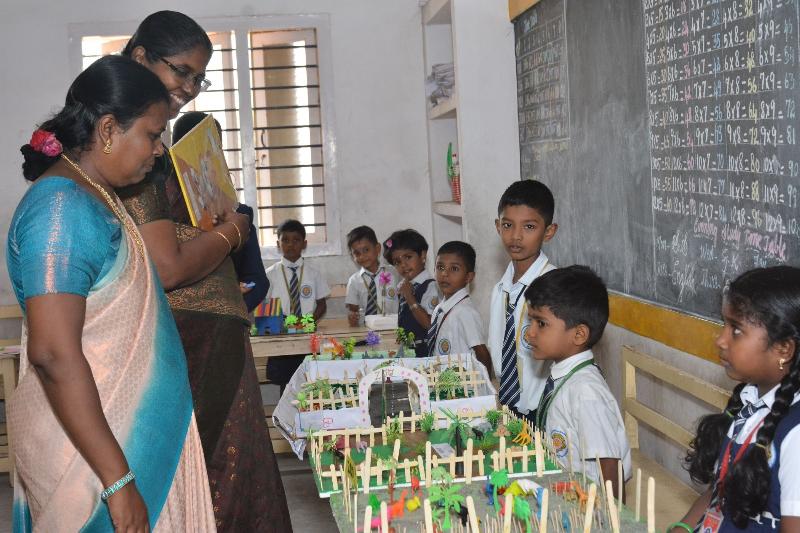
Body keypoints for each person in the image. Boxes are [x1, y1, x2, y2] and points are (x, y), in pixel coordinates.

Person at [7, 55, 215, 532]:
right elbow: (54, 353)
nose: (160, 149)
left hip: (114, 437)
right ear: (107, 129)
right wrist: (118, 481)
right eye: (152, 133)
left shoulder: (89, 194)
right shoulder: (60, 209)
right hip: (91, 457)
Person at [117, 11, 291, 531]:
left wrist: (214, 226)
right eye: (182, 72)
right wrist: (234, 231)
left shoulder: (159, 137)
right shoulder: (129, 138)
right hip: (180, 341)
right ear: (141, 57)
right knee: (200, 482)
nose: (190, 89)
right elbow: (166, 268)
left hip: (212, 334)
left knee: (232, 480)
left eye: (199, 78)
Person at [670, 266, 800, 533]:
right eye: (724, 325)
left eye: (736, 330)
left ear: (783, 349)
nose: (721, 340)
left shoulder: (795, 435)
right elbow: (721, 491)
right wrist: (682, 528)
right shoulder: (749, 402)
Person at [524, 266, 630, 496]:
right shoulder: (565, 375)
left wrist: (613, 521)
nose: (529, 333)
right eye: (530, 321)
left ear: (579, 334)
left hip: (588, 508)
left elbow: (610, 465)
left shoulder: (586, 391)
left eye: (541, 323)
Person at [172, 111, 269, 312]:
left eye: (217, 149)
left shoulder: (238, 214)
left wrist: (233, 305)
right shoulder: (161, 214)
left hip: (228, 327)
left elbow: (257, 281)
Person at [488, 180, 558, 418]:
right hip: (506, 404)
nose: (516, 236)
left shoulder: (555, 289)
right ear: (498, 226)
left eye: (528, 227)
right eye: (508, 225)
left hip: (543, 410)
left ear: (548, 231)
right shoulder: (500, 290)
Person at [264, 219, 330, 388]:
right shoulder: (270, 274)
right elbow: (265, 306)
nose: (290, 245)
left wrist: (310, 321)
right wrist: (277, 323)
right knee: (285, 385)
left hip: (307, 334)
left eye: (296, 240)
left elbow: (322, 304)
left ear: (304, 244)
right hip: (281, 335)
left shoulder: (313, 273)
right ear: (278, 244)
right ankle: (284, 415)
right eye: (285, 240)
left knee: (309, 380)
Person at [425, 241, 492, 375]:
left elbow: (482, 353)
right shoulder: (439, 309)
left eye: (454, 269)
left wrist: (485, 387)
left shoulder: (465, 312)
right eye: (440, 267)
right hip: (444, 381)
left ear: (469, 277)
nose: (445, 274)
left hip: (463, 386)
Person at [384, 229, 441, 356]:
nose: (403, 265)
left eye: (408, 257)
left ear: (423, 255)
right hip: (409, 351)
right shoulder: (404, 286)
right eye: (397, 262)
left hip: (425, 353)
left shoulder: (431, 286)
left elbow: (429, 324)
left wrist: (409, 297)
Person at [345, 225, 399, 325]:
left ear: (377, 248)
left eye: (366, 250)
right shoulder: (354, 281)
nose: (362, 256)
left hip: (393, 327)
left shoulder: (394, 273)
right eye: (357, 253)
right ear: (352, 256)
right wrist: (352, 318)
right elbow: (353, 310)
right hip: (365, 330)